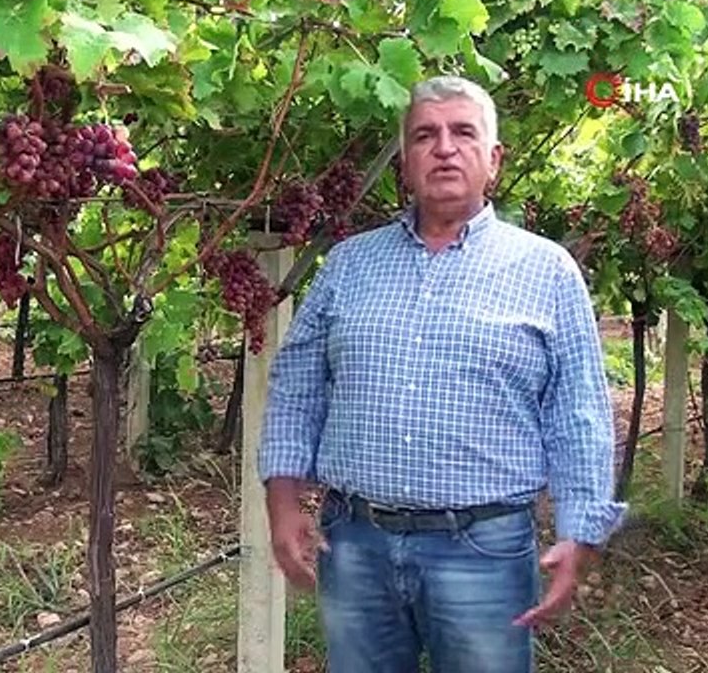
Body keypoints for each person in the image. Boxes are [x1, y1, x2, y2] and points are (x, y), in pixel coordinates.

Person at [258, 75, 626, 672]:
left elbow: (577, 410)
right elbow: (297, 384)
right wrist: (282, 506)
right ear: (406, 163)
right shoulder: (350, 264)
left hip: (483, 550)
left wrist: (580, 530)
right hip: (355, 544)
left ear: (494, 159)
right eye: (426, 136)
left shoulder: (546, 270)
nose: (445, 148)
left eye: (463, 132)